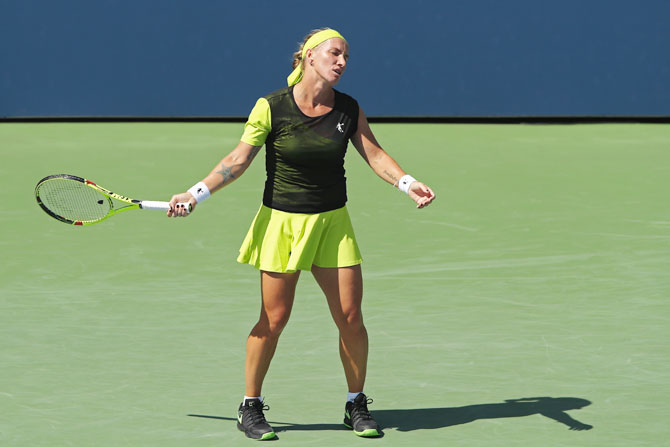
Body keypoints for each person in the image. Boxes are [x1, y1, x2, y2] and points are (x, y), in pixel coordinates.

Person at [167, 28, 435, 440]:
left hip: (333, 223)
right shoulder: (271, 107)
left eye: (346, 56)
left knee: (350, 319)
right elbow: (237, 161)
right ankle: (250, 406)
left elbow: (375, 153)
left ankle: (355, 402)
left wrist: (407, 182)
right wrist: (195, 194)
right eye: (334, 53)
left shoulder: (347, 109)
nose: (342, 62)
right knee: (273, 321)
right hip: (283, 224)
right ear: (309, 57)